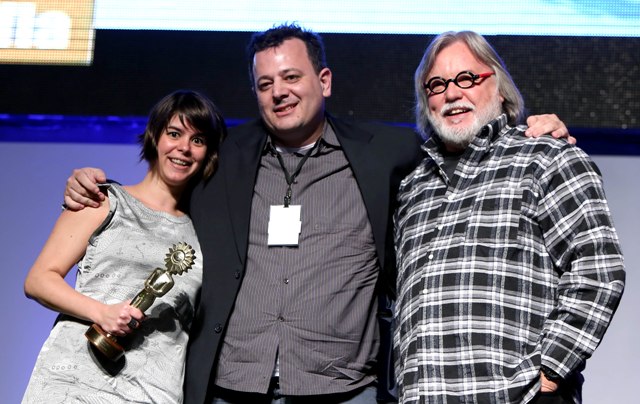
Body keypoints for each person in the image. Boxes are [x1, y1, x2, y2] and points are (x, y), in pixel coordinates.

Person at [62, 24, 572, 404]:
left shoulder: (387, 152)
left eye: (291, 76)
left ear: (323, 80)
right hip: (233, 385)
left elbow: (462, 134)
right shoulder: (225, 156)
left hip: (343, 390)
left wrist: (533, 124)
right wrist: (94, 184)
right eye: (265, 84)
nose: (279, 91)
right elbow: (162, 183)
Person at [393, 31, 625, 404]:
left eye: (467, 78)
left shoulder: (546, 157)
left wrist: (549, 372)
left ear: (500, 88)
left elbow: (598, 269)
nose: (452, 93)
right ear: (426, 102)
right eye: (436, 85)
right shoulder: (412, 188)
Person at [22, 90, 227, 403]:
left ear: (208, 152)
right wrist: (101, 313)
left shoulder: (205, 234)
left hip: (153, 392)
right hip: (73, 383)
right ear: (155, 136)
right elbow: (38, 280)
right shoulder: (103, 200)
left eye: (198, 140)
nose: (184, 148)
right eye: (174, 133)